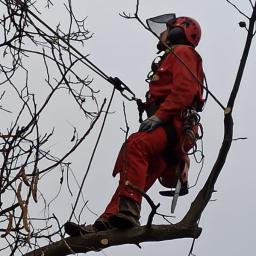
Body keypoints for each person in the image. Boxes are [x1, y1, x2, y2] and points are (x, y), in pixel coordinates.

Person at [65, 15, 204, 236]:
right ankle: (108, 221)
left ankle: (129, 212)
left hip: (173, 124)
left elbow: (184, 90)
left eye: (167, 30)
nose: (161, 34)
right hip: (172, 129)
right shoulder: (172, 56)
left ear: (180, 31)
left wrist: (159, 116)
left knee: (136, 146)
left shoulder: (183, 52)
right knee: (135, 175)